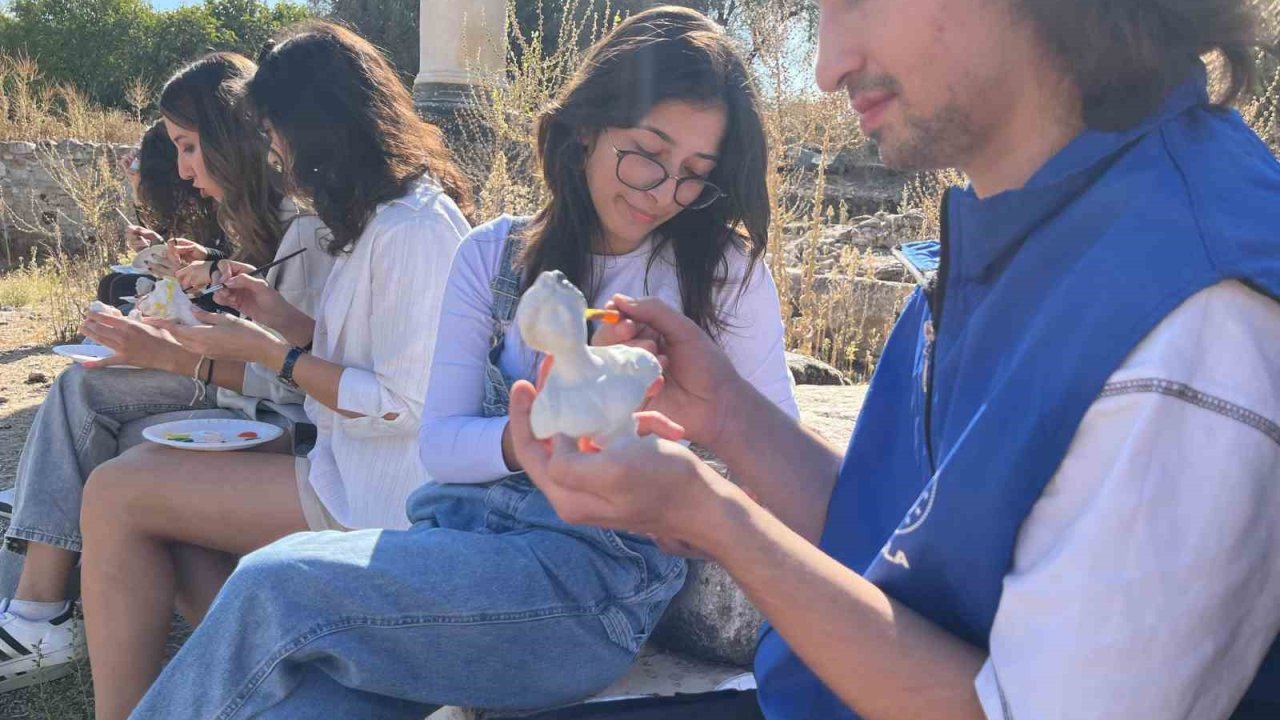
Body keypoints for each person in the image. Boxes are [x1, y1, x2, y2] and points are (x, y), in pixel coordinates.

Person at [501, 0, 1280, 718]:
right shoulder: (1014, 232)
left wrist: (714, 516)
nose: (826, 66)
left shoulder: (1196, 313)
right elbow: (898, 538)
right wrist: (729, 414)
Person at [126, 8, 797, 718]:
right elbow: (440, 444)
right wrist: (530, 430)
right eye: (647, 153)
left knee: (273, 582)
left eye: (695, 174)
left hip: (583, 591)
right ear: (588, 125)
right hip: (451, 548)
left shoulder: (722, 271)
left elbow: (775, 450)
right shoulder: (494, 253)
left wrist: (681, 482)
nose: (663, 191)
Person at [77, 22, 472, 720]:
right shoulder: (373, 219)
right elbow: (367, 353)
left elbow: (403, 403)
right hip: (343, 469)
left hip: (376, 500)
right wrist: (280, 320)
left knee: (116, 494)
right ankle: (262, 688)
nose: (271, 149)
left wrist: (272, 353)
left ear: (316, 126)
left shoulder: (412, 229)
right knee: (165, 516)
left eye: (274, 129)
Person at [0, 52, 334, 696]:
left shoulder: (316, 226)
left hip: (288, 422)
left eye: (187, 146)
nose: (181, 168)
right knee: (101, 407)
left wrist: (181, 350)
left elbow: (302, 367)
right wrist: (210, 271)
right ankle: (48, 606)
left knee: (89, 396)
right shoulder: (278, 218)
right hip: (266, 398)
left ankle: (41, 608)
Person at [99, 120, 228, 308]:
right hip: (200, 289)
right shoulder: (199, 200)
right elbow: (174, 234)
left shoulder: (226, 203)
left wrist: (191, 276)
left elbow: (237, 277)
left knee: (120, 288)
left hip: (216, 303)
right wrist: (156, 244)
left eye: (189, 148)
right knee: (111, 285)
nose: (186, 172)